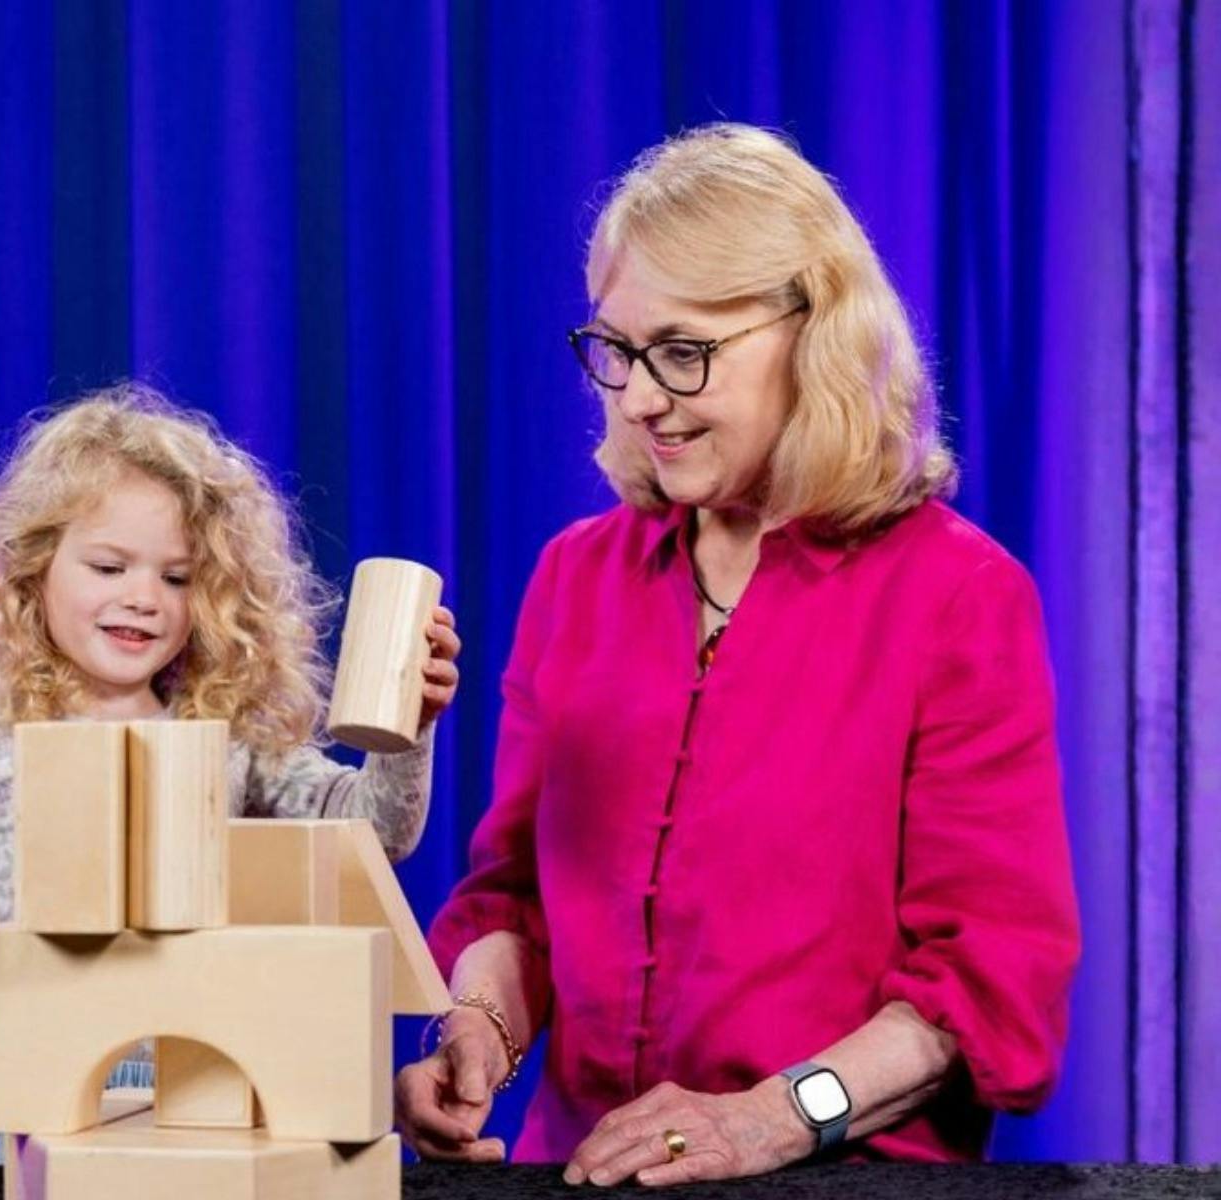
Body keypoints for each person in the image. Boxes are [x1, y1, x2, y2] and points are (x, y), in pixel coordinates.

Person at [395, 123, 1079, 1186]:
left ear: (816, 336)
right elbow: (515, 899)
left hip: (840, 1175)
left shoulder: (960, 596)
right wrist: (478, 1025)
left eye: (683, 352)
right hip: (581, 1169)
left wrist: (771, 1119)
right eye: (617, 352)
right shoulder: (574, 579)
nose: (640, 398)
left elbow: (988, 980)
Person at [0, 383, 461, 1164]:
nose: (142, 598)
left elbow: (374, 833)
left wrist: (409, 729)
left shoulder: (220, 726)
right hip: (37, 1095)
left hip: (200, 1097)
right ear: (34, 569)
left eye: (176, 577)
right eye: (108, 565)